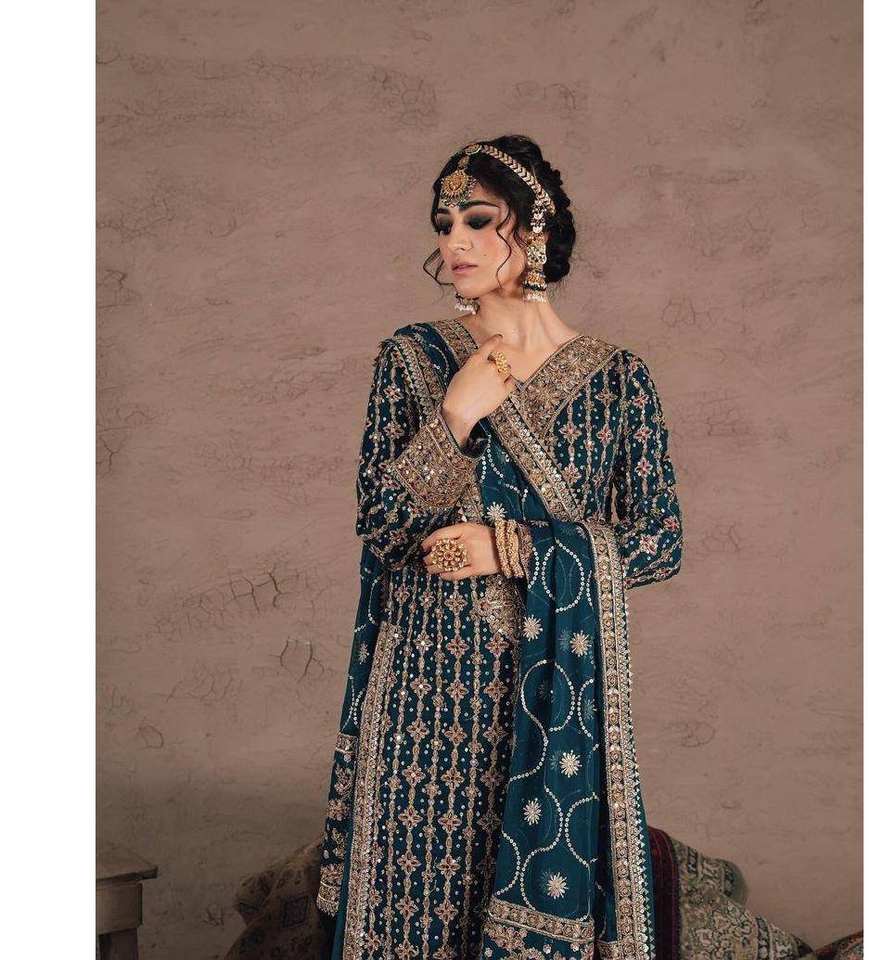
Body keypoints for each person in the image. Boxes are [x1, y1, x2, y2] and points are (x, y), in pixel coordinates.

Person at [241, 135, 816, 960]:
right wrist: (456, 414)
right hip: (423, 700)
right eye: (444, 223)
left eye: (478, 220)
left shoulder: (618, 380)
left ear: (534, 230)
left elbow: (658, 542)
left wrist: (507, 548)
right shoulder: (414, 359)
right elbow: (384, 526)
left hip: (548, 693)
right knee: (413, 913)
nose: (455, 240)